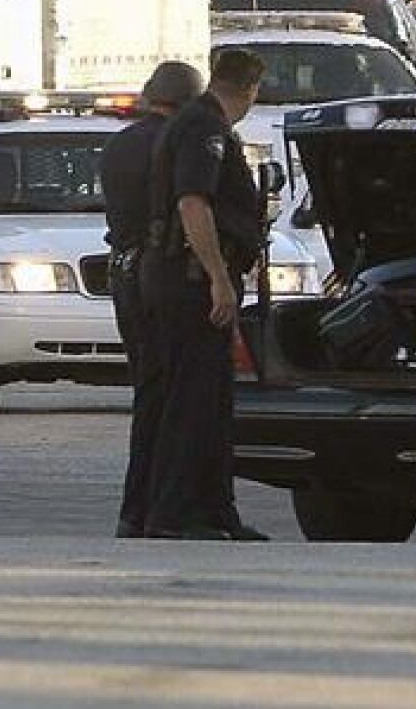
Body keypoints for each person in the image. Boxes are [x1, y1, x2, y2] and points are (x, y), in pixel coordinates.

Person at [144, 49, 270, 542]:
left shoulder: (200, 122)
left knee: (212, 402)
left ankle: (216, 511)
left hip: (188, 277)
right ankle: (174, 514)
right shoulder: (204, 128)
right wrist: (218, 276)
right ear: (251, 89)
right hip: (191, 281)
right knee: (192, 401)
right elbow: (193, 202)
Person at [101, 61, 205, 539]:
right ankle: (164, 505)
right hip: (162, 275)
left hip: (123, 272)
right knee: (175, 398)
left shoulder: (121, 142)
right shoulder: (180, 142)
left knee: (149, 393)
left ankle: (134, 509)